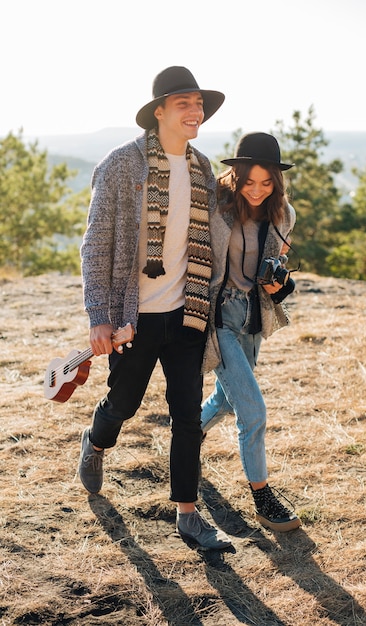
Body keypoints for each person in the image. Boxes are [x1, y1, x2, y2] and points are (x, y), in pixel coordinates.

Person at [78, 66, 232, 550]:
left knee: (187, 414)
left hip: (187, 313)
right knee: (123, 403)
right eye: (184, 103)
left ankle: (188, 515)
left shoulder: (204, 168)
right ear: (160, 111)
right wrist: (99, 315)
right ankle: (96, 441)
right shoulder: (122, 165)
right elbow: (95, 244)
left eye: (199, 104)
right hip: (133, 316)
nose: (196, 112)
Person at [201, 132, 301, 532]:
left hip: (253, 317)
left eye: (267, 182)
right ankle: (263, 497)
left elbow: (277, 271)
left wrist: (282, 285)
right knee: (252, 410)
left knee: (227, 400)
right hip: (219, 315)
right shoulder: (216, 209)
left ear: (277, 180)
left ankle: (186, 434)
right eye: (249, 181)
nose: (257, 190)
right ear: (236, 176)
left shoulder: (283, 215)